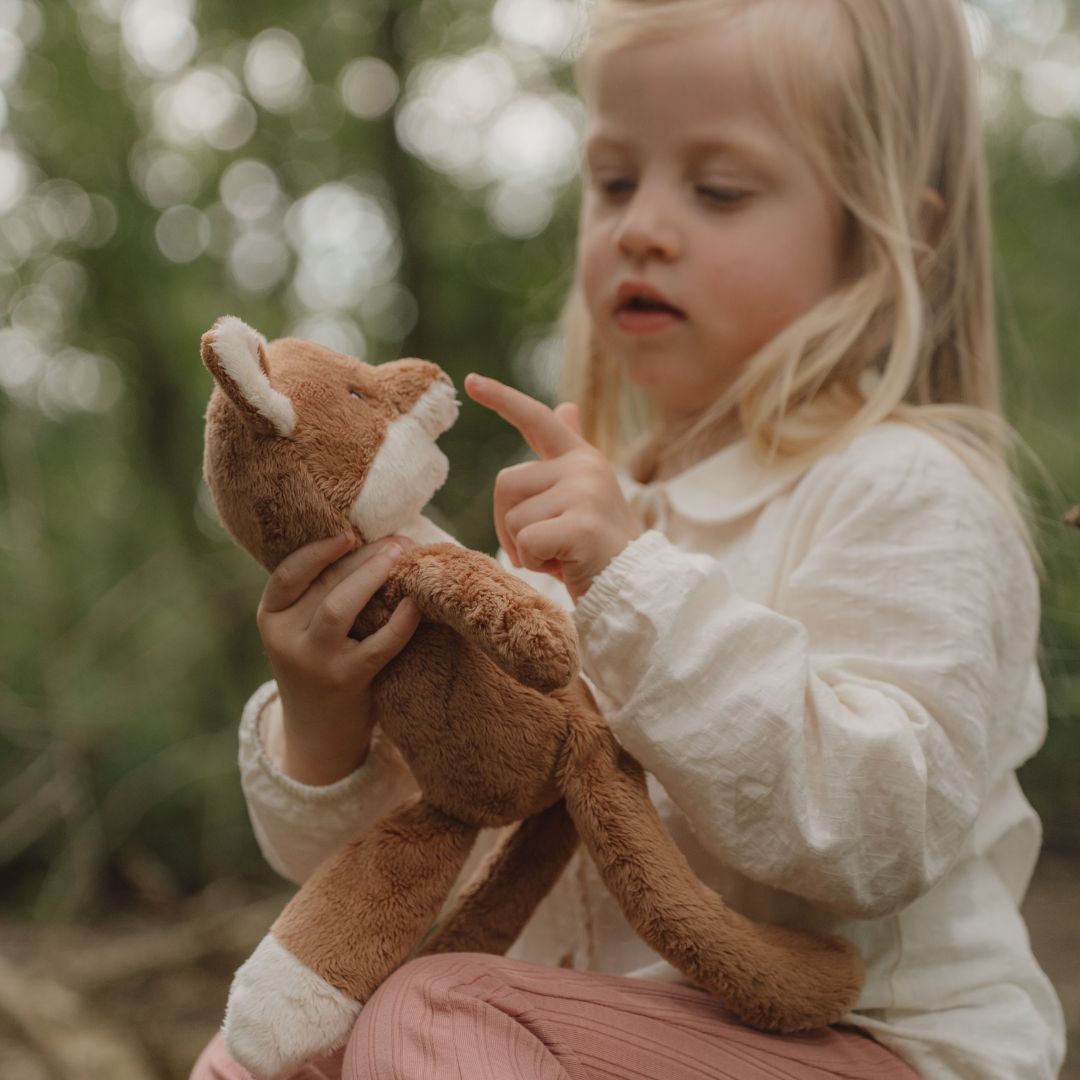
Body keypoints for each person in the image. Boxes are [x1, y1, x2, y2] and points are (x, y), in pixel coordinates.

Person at [192, 0, 1066, 1077]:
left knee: (439, 1011)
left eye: (719, 189)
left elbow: (882, 831)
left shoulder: (910, 492)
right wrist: (329, 726)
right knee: (261, 1057)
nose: (641, 225)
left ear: (895, 232)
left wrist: (631, 589)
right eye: (613, 182)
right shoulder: (584, 509)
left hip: (875, 1039)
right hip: (607, 1034)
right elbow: (447, 835)